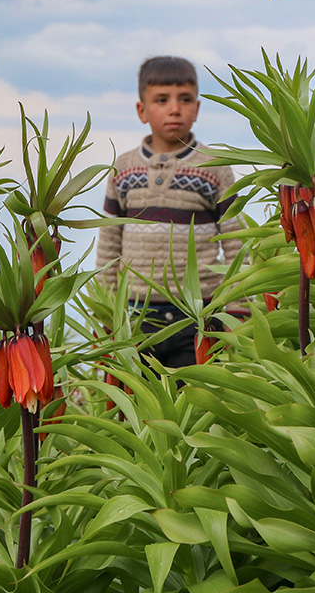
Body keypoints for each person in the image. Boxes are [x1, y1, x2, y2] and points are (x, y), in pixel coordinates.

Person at [96, 56, 243, 368]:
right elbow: (109, 244)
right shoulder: (122, 169)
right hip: (134, 317)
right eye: (161, 100)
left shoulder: (214, 167)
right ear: (142, 110)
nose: (175, 109)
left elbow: (235, 240)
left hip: (199, 314)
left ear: (197, 109)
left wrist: (238, 307)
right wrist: (107, 313)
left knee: (194, 393)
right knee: (135, 394)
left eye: (185, 99)